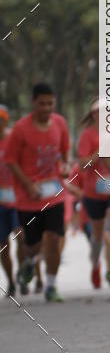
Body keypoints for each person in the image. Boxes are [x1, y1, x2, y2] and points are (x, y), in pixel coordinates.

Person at [5, 83, 70, 302]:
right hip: (29, 199)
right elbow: (11, 161)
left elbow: (64, 152)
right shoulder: (21, 129)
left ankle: (51, 286)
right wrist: (28, 184)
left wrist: (65, 167)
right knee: (32, 244)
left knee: (53, 238)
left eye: (50, 103)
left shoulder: (60, 123)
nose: (46, 108)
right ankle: (30, 262)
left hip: (55, 195)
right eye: (41, 103)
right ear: (34, 103)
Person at [77, 99, 110, 293]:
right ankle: (95, 266)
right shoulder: (87, 136)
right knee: (98, 237)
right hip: (93, 193)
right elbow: (82, 165)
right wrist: (100, 153)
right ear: (93, 115)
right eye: (99, 111)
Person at [0, 105, 20, 297]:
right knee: (3, 246)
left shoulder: (14, 140)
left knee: (22, 236)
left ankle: (23, 272)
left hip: (17, 199)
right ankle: (12, 281)